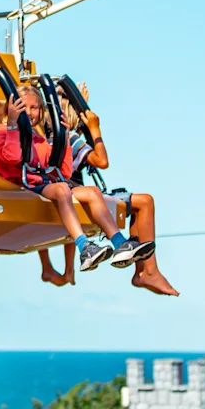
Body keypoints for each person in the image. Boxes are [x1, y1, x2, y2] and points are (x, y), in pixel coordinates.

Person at [50, 83, 179, 297]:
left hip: (72, 188)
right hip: (75, 192)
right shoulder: (70, 139)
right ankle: (148, 271)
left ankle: (144, 272)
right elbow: (102, 161)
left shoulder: (59, 136)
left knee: (141, 201)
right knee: (145, 201)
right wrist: (94, 128)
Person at [0, 84, 118, 272]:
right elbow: (12, 157)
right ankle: (84, 246)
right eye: (24, 107)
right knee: (61, 189)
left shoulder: (39, 140)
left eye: (34, 108)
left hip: (40, 185)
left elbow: (63, 172)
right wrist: (12, 125)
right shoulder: (2, 133)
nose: (30, 112)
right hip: (19, 185)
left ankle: (119, 242)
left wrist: (64, 138)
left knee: (91, 191)